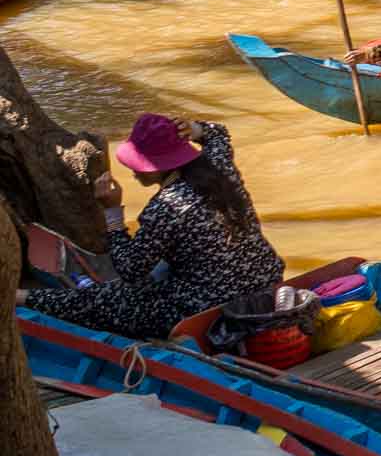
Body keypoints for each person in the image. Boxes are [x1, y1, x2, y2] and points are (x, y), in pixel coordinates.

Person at [19, 115, 284, 339]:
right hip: (265, 279)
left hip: (207, 306)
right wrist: (196, 129)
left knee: (106, 297)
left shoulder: (166, 208)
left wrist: (112, 212)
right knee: (161, 270)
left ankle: (24, 299)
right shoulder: (220, 166)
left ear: (160, 166)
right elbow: (218, 135)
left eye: (138, 167)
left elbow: (130, 271)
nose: (134, 173)